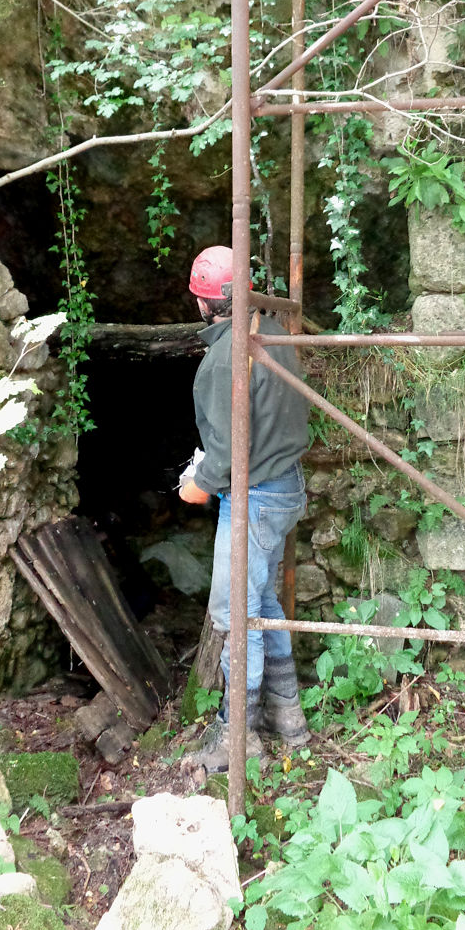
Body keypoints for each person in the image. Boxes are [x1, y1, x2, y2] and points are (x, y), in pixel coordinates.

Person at [179, 245, 311, 772]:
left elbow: (227, 452)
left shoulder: (222, 360)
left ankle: (239, 735)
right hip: (285, 487)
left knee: (237, 615)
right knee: (262, 604)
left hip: (254, 498)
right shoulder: (272, 334)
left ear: (204, 302)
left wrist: (198, 485)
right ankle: (288, 717)